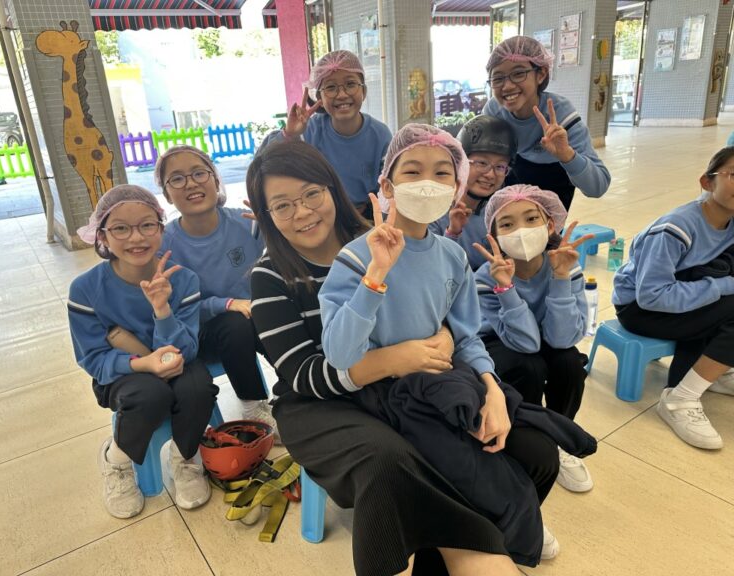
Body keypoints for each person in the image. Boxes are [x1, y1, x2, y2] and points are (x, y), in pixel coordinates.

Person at [247, 140, 529, 576]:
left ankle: (474, 542)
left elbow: (438, 306)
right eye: (282, 206)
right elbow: (304, 375)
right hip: (316, 405)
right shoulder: (269, 276)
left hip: (400, 386)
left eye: (311, 194)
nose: (302, 213)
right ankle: (466, 549)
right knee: (386, 460)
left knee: (494, 436)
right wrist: (394, 360)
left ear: (332, 189)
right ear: (266, 216)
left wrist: (447, 340)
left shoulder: (383, 237)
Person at [319, 124, 595, 568]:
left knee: (538, 452)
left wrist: (492, 390)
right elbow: (339, 354)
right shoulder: (356, 257)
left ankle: (513, 522)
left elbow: (466, 336)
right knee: (472, 470)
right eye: (413, 171)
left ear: (456, 187)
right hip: (386, 394)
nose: (428, 183)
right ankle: (500, 526)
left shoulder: (451, 257)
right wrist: (376, 276)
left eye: (442, 173)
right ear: (387, 187)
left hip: (446, 379)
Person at [67, 185, 218, 519]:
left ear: (161, 229)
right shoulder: (85, 290)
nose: (136, 237)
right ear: (102, 236)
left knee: (198, 388)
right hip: (122, 373)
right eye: (121, 228)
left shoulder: (184, 280)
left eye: (147, 225)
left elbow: (188, 349)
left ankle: (185, 458)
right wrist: (142, 364)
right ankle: (116, 460)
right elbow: (93, 358)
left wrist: (162, 310)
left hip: (177, 359)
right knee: (150, 395)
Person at [473, 184, 594, 492]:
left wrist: (561, 277)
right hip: (502, 342)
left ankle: (560, 437)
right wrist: (506, 288)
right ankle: (528, 438)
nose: (521, 231)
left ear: (550, 225)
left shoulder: (566, 266)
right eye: (507, 224)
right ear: (495, 236)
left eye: (531, 219)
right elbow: (525, 344)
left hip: (550, 336)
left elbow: (563, 339)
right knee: (529, 366)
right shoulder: (486, 277)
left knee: (569, 363)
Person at [613, 146, 734, 450]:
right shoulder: (675, 228)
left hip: (683, 296)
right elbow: (652, 295)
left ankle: (715, 371)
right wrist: (723, 286)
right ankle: (680, 398)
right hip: (639, 307)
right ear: (707, 182)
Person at [154, 145, 277, 436]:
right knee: (235, 322)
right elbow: (173, 308)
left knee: (275, 311)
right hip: (197, 335)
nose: (191, 183)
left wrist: (276, 225)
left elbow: (284, 254)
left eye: (199, 173)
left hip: (251, 319)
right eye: (177, 179)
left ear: (215, 179)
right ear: (167, 194)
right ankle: (253, 408)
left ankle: (300, 387)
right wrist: (226, 303)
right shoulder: (164, 244)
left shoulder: (246, 223)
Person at [482, 35, 610, 211]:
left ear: (541, 74)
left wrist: (567, 155)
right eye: (498, 78)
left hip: (553, 201)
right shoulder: (494, 114)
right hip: (509, 201)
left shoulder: (562, 118)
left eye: (518, 74)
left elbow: (598, 187)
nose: (508, 86)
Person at [259, 49, 392, 218]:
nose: (342, 94)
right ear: (319, 97)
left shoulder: (380, 136)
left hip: (365, 217)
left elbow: (389, 188)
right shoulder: (309, 132)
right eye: (330, 87)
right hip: (317, 216)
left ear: (363, 91)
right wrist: (289, 134)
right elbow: (264, 163)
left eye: (350, 84)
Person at [429, 115, 517, 270]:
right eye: (482, 163)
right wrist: (452, 233)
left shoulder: (502, 212)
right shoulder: (432, 210)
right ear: (460, 162)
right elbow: (431, 269)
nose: (490, 174)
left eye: (500, 167)